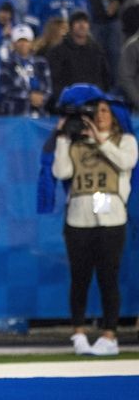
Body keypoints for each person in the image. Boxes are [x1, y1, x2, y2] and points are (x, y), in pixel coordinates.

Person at [52, 85, 138, 356]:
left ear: (114, 115)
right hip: (79, 218)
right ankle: (78, 333)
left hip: (110, 216)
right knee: (80, 279)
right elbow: (61, 171)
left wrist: (101, 141)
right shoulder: (77, 141)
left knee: (107, 279)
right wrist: (64, 137)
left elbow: (126, 163)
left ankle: (109, 335)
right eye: (95, 110)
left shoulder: (125, 141)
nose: (99, 115)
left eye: (105, 111)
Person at [46, 10, 111, 106]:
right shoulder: (58, 51)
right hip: (68, 103)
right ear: (71, 26)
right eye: (78, 22)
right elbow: (54, 80)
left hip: (94, 101)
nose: (82, 25)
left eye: (85, 22)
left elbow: (105, 76)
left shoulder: (97, 49)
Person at [0, 24, 52, 116]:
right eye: (19, 41)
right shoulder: (6, 64)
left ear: (31, 43)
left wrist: (41, 98)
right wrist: (29, 96)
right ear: (13, 44)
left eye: (26, 41)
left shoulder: (41, 63)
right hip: (14, 114)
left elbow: (48, 87)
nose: (23, 44)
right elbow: (5, 89)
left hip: (39, 113)